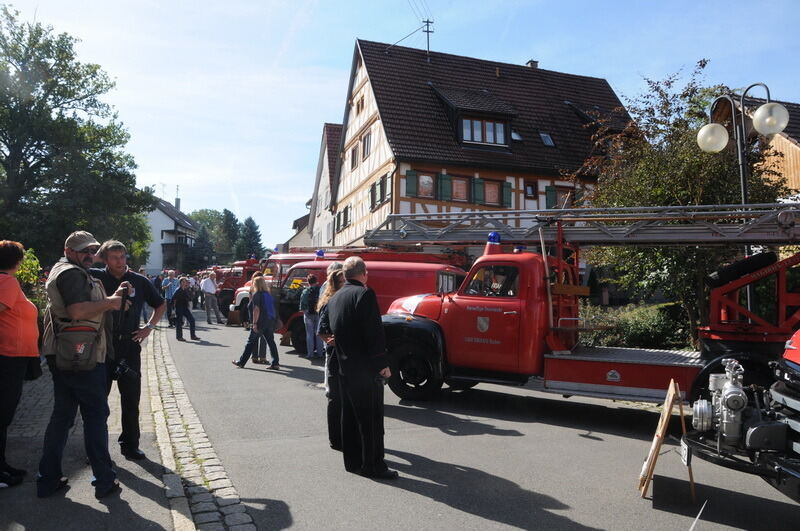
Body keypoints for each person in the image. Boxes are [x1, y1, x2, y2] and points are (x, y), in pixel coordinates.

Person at [38, 231, 128, 498]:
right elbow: (78, 310)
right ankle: (104, 480)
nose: (89, 255)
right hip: (82, 356)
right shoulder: (71, 273)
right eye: (83, 251)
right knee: (95, 417)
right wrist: (111, 303)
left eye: (92, 250)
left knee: (63, 416)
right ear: (68, 249)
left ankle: (48, 478)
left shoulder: (67, 270)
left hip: (68, 354)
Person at [91, 240, 166, 460]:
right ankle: (97, 449)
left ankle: (130, 445)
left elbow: (160, 304)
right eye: (114, 257)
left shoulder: (139, 280)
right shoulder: (94, 276)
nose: (120, 262)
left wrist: (148, 328)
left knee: (131, 398)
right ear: (105, 259)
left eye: (123, 257)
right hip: (102, 345)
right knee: (97, 401)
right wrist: (97, 255)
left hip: (129, 346)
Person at [326, 256, 396, 479]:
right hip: (365, 368)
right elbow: (374, 333)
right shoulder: (365, 293)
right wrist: (382, 364)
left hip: (344, 366)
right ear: (364, 273)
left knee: (349, 417)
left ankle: (353, 462)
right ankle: (373, 465)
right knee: (371, 421)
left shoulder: (336, 297)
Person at [0, 241, 40, 488]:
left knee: (4, 416)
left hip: (13, 357)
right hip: (8, 357)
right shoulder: (7, 281)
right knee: (2, 415)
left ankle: (2, 465)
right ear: (18, 260)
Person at [316, 266, 345, 452]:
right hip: (334, 354)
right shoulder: (329, 302)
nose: (345, 284)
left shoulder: (345, 299)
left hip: (347, 355)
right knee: (335, 397)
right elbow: (321, 331)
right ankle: (336, 439)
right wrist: (330, 340)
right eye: (342, 281)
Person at [232, 276, 279, 370]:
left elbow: (256, 309)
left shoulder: (257, 294)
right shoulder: (268, 295)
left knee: (250, 342)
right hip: (269, 321)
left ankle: (242, 362)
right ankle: (275, 363)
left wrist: (254, 323)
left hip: (260, 322)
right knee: (271, 342)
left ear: (256, 284)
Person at [300, 274, 324, 358]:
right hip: (318, 313)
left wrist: (304, 311)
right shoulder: (320, 289)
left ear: (308, 281)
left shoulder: (306, 291)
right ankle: (320, 353)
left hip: (308, 314)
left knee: (309, 334)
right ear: (316, 281)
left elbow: (302, 304)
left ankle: (310, 354)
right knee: (318, 334)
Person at [173, 277, 199, 342]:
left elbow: (189, 297)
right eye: (183, 282)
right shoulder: (178, 290)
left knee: (192, 320)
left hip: (185, 307)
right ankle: (179, 337)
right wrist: (173, 310)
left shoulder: (185, 289)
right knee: (179, 322)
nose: (185, 283)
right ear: (180, 283)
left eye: (186, 282)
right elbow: (173, 299)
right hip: (179, 308)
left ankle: (193, 336)